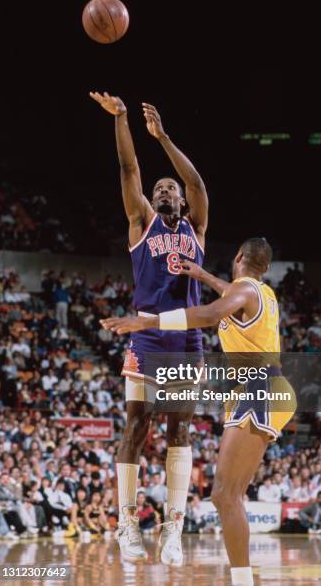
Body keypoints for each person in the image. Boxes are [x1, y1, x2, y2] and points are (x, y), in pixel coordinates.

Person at [101, 237, 296, 586]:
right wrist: (203, 276)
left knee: (225, 495)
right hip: (263, 388)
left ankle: (243, 581)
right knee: (227, 495)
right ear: (266, 268)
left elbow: (210, 313)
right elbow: (228, 294)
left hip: (259, 388)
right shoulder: (261, 292)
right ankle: (241, 579)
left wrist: (147, 323)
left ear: (238, 257)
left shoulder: (243, 291)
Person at [91, 91, 208, 565]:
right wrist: (122, 121)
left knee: (180, 428)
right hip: (146, 336)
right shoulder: (142, 224)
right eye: (157, 188)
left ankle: (173, 531)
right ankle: (126, 524)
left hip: (186, 341)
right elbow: (127, 171)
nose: (163, 191)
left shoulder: (197, 227)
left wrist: (163, 138)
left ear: (180, 198)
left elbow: (198, 181)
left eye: (169, 188)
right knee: (137, 426)